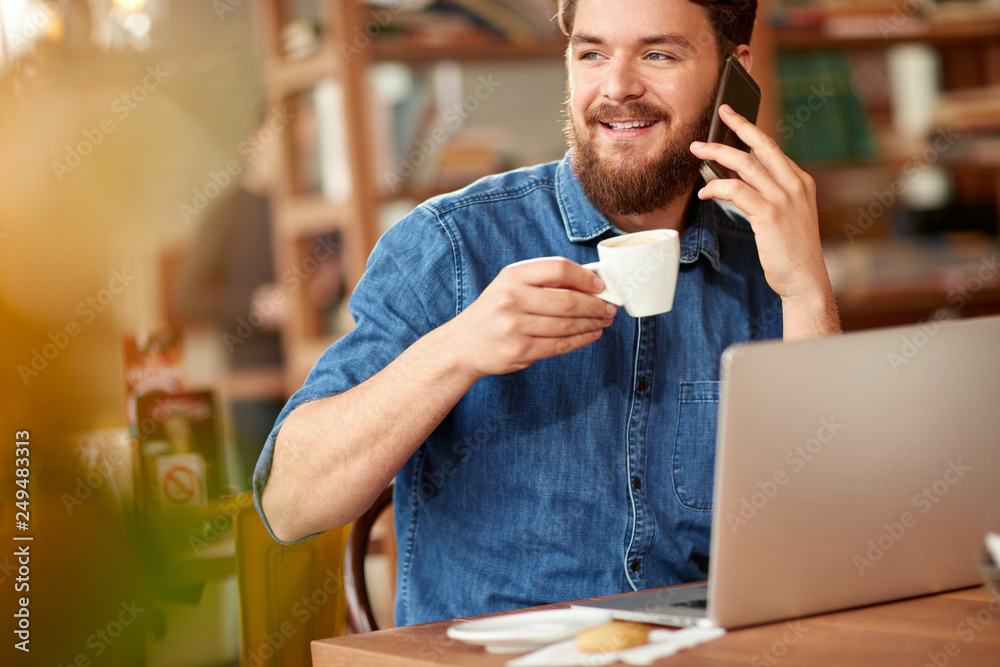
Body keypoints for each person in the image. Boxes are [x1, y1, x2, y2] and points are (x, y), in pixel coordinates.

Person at [254, 0, 840, 626]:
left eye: (658, 54)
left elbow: (829, 537)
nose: (617, 87)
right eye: (591, 53)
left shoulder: (767, 265)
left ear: (734, 73)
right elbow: (291, 505)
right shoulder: (451, 246)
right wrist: (458, 350)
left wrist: (807, 291)